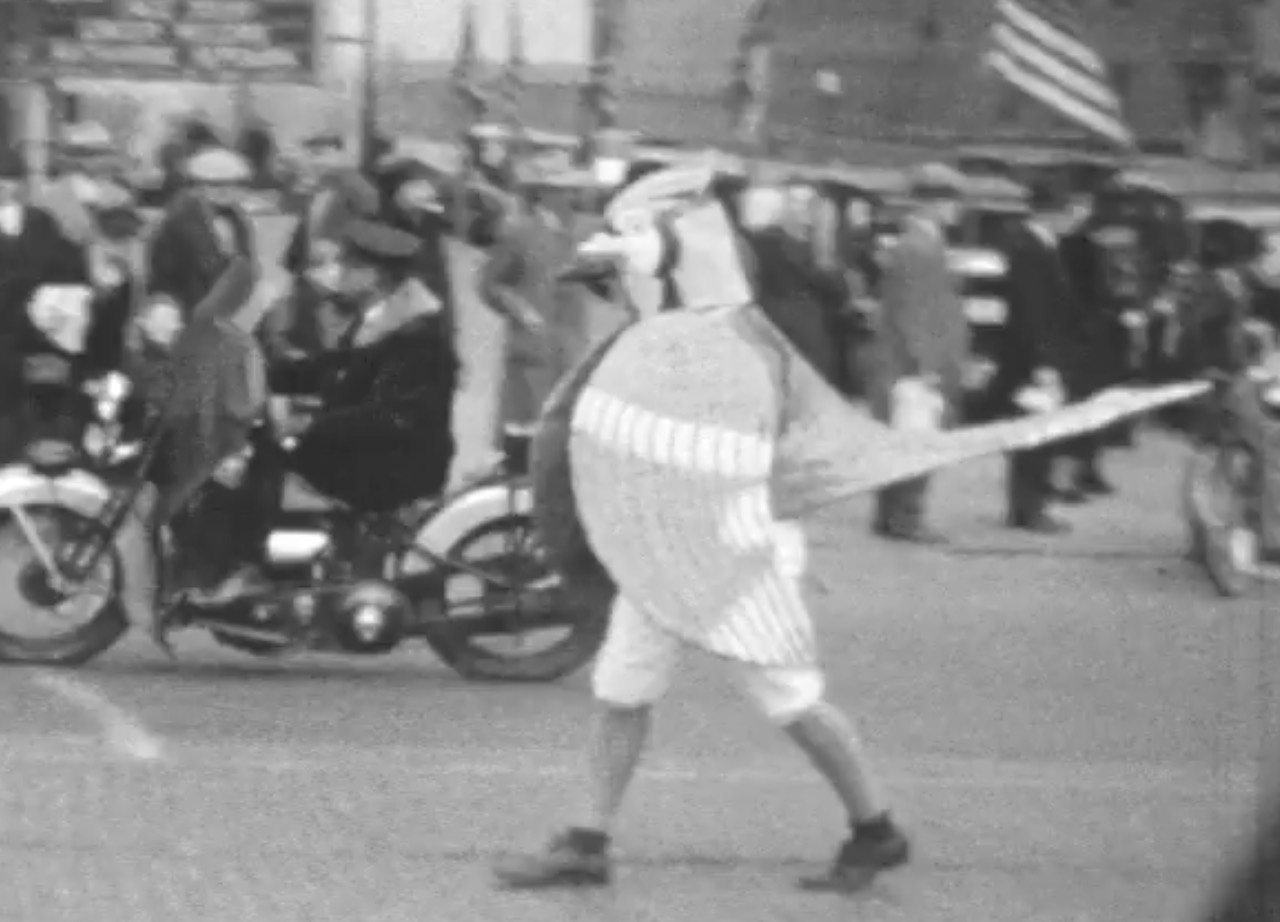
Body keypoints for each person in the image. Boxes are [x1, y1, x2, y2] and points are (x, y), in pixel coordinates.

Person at [496, 161, 909, 894]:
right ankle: (585, 843)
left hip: (731, 552)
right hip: (666, 555)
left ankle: (875, 829)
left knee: (790, 700)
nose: (615, 294)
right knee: (621, 692)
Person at [189, 217, 459, 603]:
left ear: (375, 276)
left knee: (261, 460)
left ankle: (252, 571)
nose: (339, 274)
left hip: (401, 462)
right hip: (372, 447)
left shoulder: (416, 335)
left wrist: (309, 429)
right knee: (256, 452)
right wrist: (256, 371)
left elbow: (394, 416)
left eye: (349, 267)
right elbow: (331, 370)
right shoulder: (381, 317)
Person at [867, 162, 968, 543]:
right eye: (951, 201)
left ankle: (889, 514)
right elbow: (914, 311)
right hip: (912, 364)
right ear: (934, 204)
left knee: (900, 437)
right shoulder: (920, 247)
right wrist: (926, 364)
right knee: (918, 438)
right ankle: (906, 516)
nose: (957, 209)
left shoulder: (916, 243)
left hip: (903, 361)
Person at [479, 162, 601, 444]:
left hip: (568, 343)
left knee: (558, 424)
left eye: (576, 192)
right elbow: (489, 283)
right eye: (568, 192)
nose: (575, 198)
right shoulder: (520, 234)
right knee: (523, 426)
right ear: (545, 195)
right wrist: (519, 308)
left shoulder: (578, 235)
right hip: (531, 348)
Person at [993, 185, 1075, 533]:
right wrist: (1044, 362)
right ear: (1052, 212)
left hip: (1030, 356)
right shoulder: (1031, 250)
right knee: (1037, 434)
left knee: (1031, 431)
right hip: (1031, 359)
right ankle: (1030, 507)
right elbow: (1032, 309)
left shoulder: (1039, 246)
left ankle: (1025, 504)